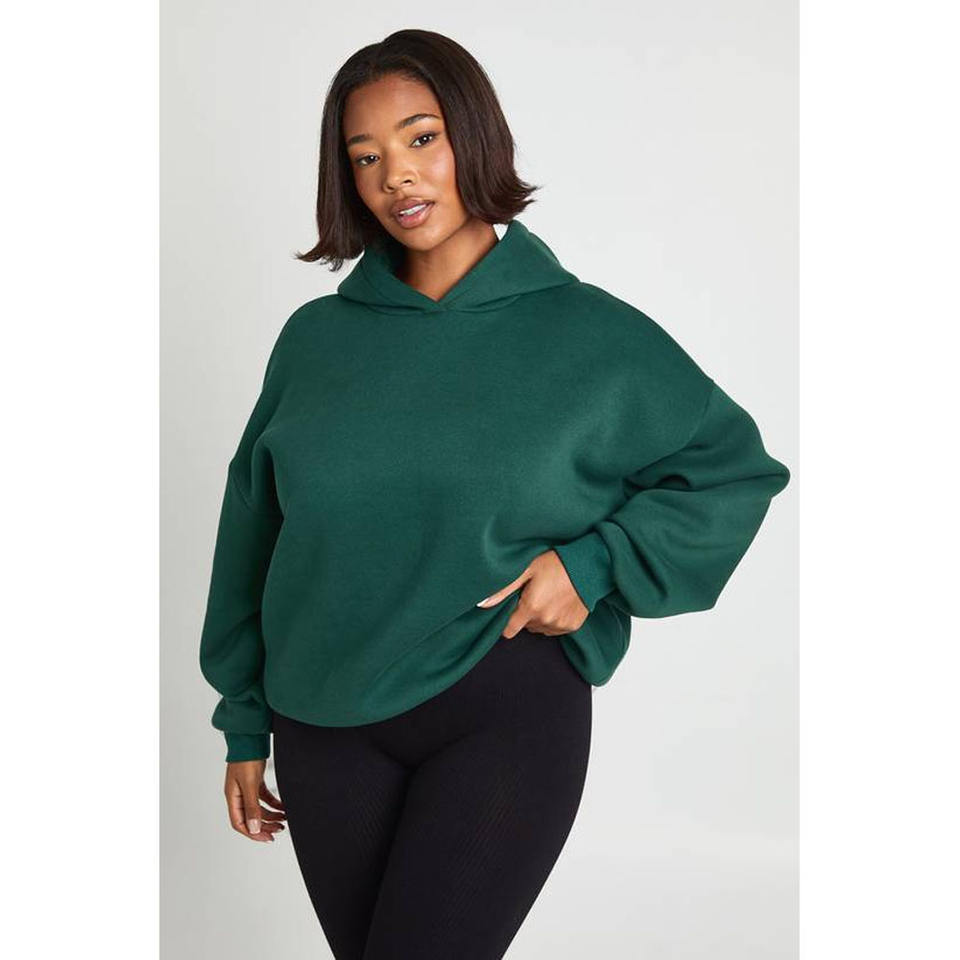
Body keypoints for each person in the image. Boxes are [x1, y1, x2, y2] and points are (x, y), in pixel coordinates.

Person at [197, 28, 791, 960]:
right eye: (365, 156)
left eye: (421, 138)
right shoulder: (315, 342)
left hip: (500, 704)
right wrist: (242, 719)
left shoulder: (590, 335)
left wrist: (595, 565)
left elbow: (732, 469)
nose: (397, 175)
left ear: (474, 136)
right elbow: (254, 530)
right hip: (322, 721)